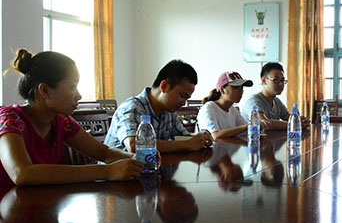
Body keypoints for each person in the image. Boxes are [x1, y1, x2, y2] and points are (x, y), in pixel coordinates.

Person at [0, 49, 142, 189]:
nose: (79, 96)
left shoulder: (61, 121)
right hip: (9, 203)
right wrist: (106, 171)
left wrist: (137, 159)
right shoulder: (9, 119)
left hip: (42, 201)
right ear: (44, 91)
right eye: (72, 87)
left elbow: (104, 152)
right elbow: (22, 173)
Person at [104, 59, 213, 154]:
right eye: (182, 96)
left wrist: (200, 138)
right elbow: (134, 146)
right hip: (115, 170)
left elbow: (184, 137)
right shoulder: (132, 107)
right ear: (164, 86)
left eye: (187, 98)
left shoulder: (169, 112)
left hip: (149, 167)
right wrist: (187, 144)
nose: (184, 103)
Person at [241, 62, 309, 130]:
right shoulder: (253, 101)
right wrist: (293, 124)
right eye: (276, 80)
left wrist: (300, 120)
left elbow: (289, 118)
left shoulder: (276, 101)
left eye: (282, 80)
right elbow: (265, 123)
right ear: (264, 80)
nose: (281, 84)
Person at [198, 71, 253, 139]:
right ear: (222, 90)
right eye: (235, 87)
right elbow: (215, 136)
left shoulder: (233, 110)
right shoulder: (208, 108)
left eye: (241, 88)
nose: (240, 92)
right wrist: (248, 127)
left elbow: (247, 131)